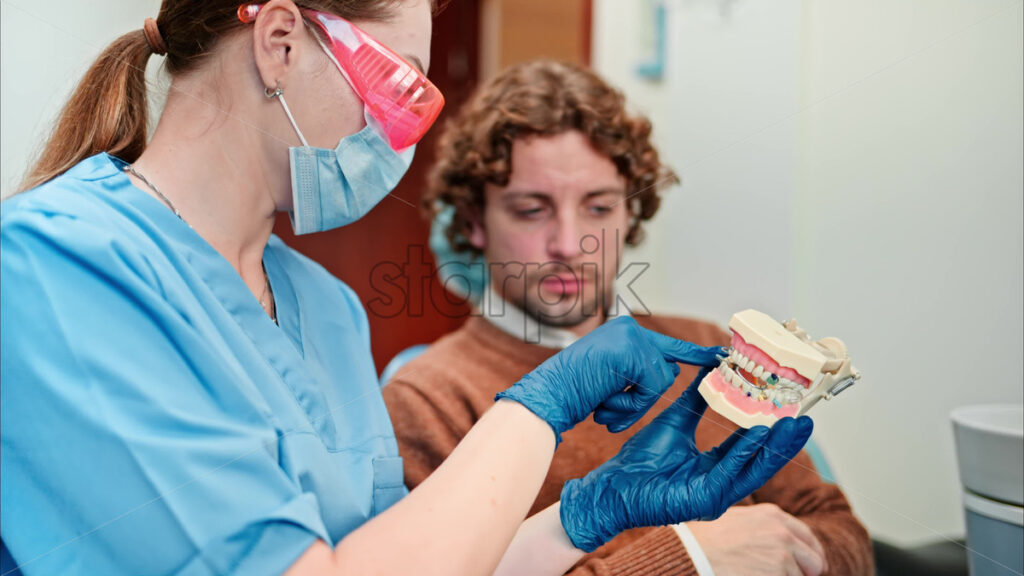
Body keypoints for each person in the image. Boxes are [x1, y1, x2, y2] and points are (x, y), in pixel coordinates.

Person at [0, 3, 815, 576]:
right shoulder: (53, 269)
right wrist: (540, 406)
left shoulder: (325, 309)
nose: (404, 137)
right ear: (280, 41)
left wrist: (586, 514)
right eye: (405, 90)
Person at [383, 59, 874, 576]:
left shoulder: (713, 351)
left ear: (629, 213)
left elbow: (842, 532)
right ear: (474, 221)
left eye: (598, 207)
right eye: (532, 210)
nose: (569, 245)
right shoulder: (428, 400)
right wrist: (691, 562)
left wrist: (793, 551)